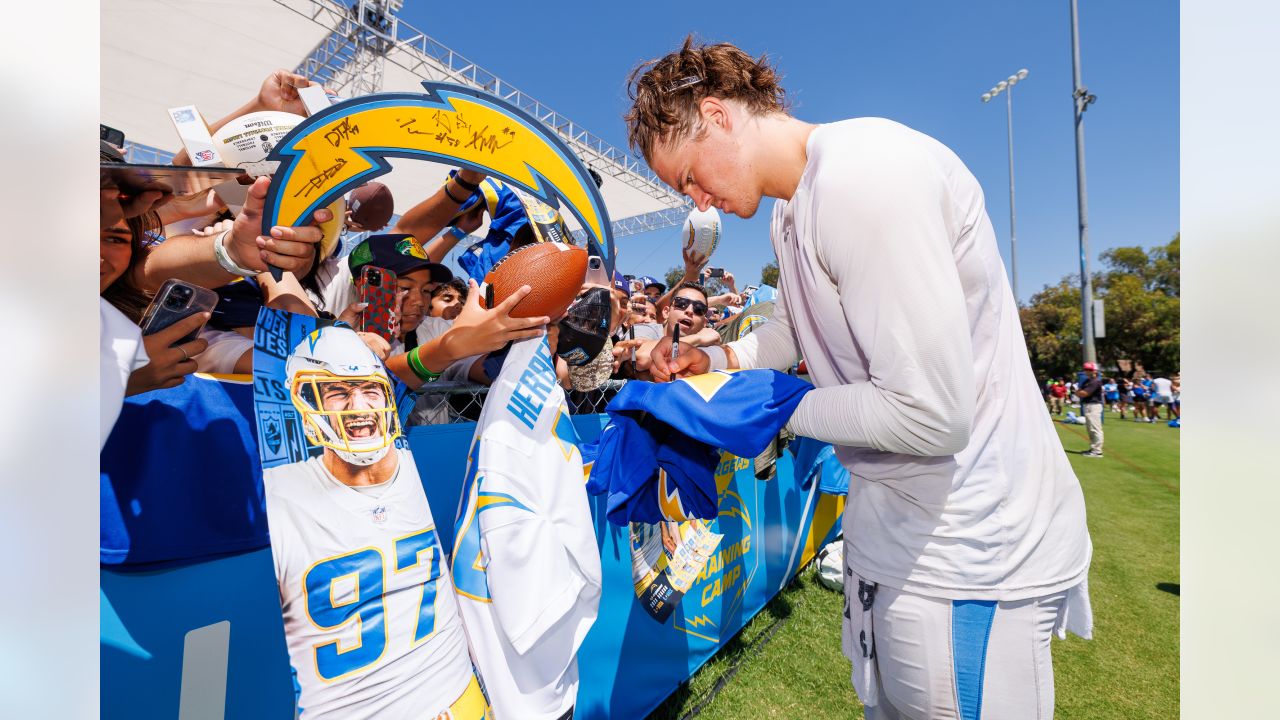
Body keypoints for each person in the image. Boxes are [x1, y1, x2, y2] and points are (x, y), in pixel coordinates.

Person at [627, 37, 1091, 718]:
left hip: (972, 547)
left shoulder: (864, 172)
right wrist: (718, 361)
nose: (698, 202)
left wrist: (769, 408)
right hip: (893, 530)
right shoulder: (793, 208)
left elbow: (930, 416)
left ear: (718, 114)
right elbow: (790, 330)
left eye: (689, 176)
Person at [263, 327, 489, 718]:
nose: (360, 406)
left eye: (370, 390)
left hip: (458, 696)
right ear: (304, 399)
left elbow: (416, 367)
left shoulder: (407, 462)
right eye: (337, 392)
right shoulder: (280, 493)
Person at [1076, 362, 1105, 457]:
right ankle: (1093, 448)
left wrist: (1079, 392)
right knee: (1090, 428)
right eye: (1086, 369)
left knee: (1095, 428)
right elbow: (1080, 392)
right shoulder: (1087, 381)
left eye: (1089, 369)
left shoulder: (1095, 381)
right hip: (1088, 405)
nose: (1087, 371)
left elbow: (1084, 393)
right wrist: (1079, 392)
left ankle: (1097, 451)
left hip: (1094, 405)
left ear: (1095, 371)